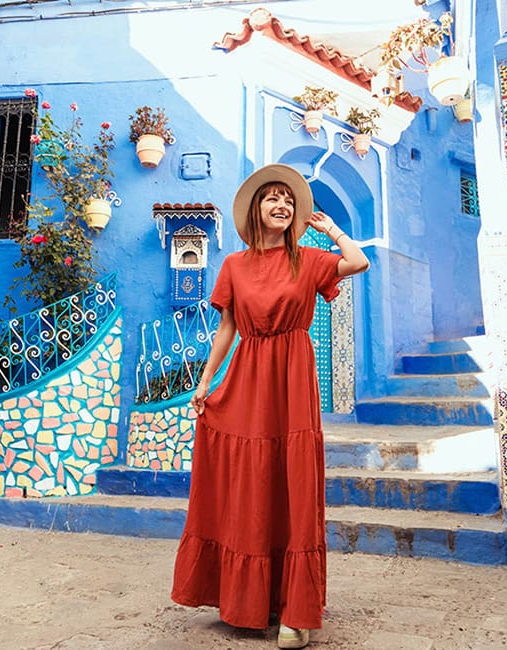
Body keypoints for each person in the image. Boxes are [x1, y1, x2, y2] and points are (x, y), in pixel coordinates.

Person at [170, 164, 370, 649]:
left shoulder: (310, 259)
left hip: (293, 378)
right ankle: (246, 599)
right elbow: (227, 330)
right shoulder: (234, 266)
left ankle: (296, 613)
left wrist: (331, 229)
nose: (281, 205)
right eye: (271, 199)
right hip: (246, 378)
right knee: (250, 480)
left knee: (292, 482)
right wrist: (204, 381)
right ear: (256, 210)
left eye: (288, 200)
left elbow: (359, 262)